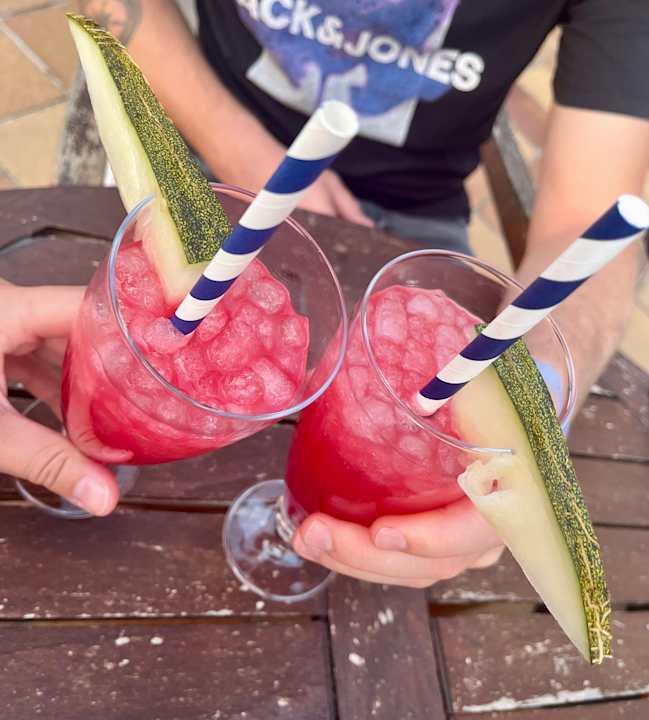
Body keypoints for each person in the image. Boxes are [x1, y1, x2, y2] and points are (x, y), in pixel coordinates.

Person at [3, 1, 648, 586]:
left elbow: (587, 220)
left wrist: (528, 411)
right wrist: (241, 150)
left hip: (413, 215)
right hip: (209, 143)